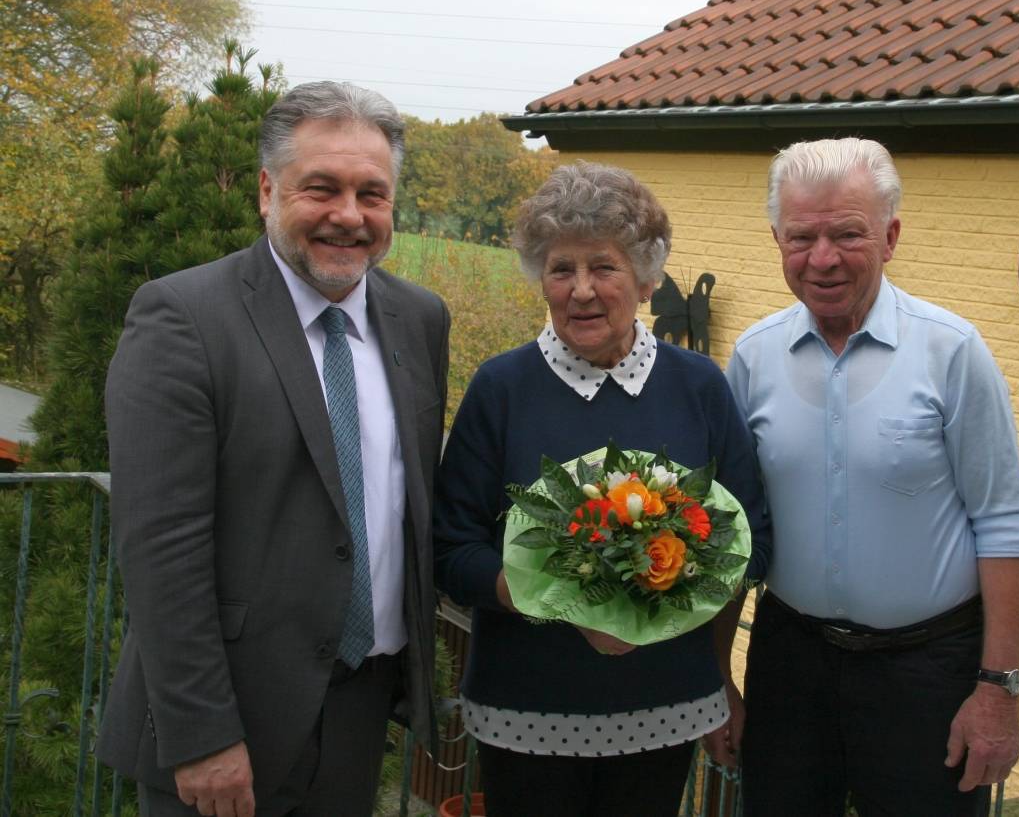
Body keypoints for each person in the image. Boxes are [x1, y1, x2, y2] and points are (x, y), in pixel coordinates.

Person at [97, 81, 450, 816]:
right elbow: (161, 545)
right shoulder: (182, 317)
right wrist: (201, 734)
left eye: (371, 194)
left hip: (359, 704)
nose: (348, 216)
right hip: (229, 722)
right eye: (320, 188)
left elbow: (405, 503)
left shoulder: (419, 318)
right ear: (266, 190)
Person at [434, 161, 771, 817]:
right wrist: (554, 595)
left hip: (666, 698)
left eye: (603, 267)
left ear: (646, 279)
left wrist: (660, 597)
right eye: (561, 269)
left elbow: (751, 539)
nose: (581, 290)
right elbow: (450, 549)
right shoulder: (500, 388)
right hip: (525, 706)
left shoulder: (699, 384)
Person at [725, 137, 1019, 816]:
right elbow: (727, 528)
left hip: (926, 671)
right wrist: (715, 676)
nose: (823, 258)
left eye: (846, 233)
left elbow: (1003, 524)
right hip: (789, 661)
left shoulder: (951, 352)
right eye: (801, 236)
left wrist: (997, 689)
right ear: (777, 238)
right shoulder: (750, 359)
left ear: (890, 236)